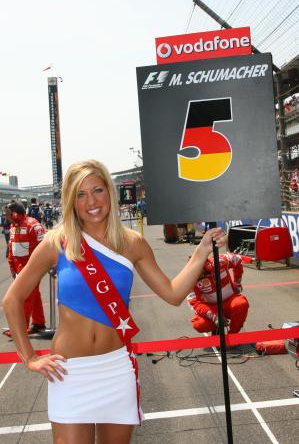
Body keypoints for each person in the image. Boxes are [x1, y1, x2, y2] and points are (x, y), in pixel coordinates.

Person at [3, 159, 226, 444]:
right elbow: (12, 300)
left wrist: (202, 250)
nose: (91, 201)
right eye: (81, 194)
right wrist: (30, 357)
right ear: (71, 201)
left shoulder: (133, 243)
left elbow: (172, 294)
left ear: (110, 192)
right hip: (70, 373)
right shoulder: (56, 242)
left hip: (115, 369)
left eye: (97, 190)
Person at [3, 201, 46, 336]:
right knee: (34, 296)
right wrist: (11, 265)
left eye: (8, 214)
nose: (6, 217)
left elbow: (45, 246)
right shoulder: (13, 226)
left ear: (15, 214)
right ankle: (39, 323)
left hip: (32, 268)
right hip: (19, 267)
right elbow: (11, 247)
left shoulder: (33, 225)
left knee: (24, 296)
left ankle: (20, 329)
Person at [187, 252, 249, 335]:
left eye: (198, 269)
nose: (196, 274)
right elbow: (195, 304)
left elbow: (237, 259)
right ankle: (217, 326)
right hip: (211, 308)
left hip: (229, 302)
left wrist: (237, 283)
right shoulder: (188, 279)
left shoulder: (220, 261)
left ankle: (233, 334)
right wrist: (214, 317)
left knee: (241, 303)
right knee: (199, 324)